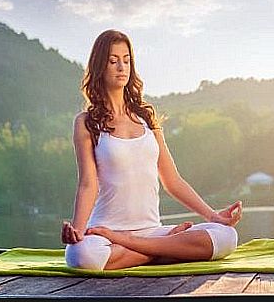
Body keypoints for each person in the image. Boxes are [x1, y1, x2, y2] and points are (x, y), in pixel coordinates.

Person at [61, 29, 243, 270]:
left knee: (226, 237)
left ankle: (141, 245)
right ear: (99, 67)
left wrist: (213, 216)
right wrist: (78, 229)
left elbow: (172, 180)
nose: (121, 67)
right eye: (113, 61)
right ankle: (165, 248)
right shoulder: (86, 122)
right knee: (80, 256)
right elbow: (88, 183)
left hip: (150, 230)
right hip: (106, 233)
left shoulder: (146, 118)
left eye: (126, 60)